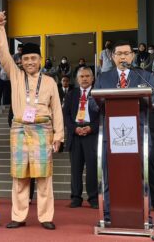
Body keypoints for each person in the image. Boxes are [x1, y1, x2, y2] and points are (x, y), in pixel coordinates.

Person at [0, 11, 64, 230]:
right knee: (20, 176)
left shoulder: (51, 82)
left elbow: (57, 110)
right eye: (25, 59)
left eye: (33, 58)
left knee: (44, 177)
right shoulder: (15, 76)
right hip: (20, 130)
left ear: (40, 60)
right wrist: (0, 27)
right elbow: (4, 54)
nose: (29, 62)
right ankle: (18, 215)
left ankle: (46, 217)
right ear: (21, 61)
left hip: (44, 130)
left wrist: (59, 136)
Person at [94, 40, 154, 222]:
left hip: (138, 134)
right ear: (113, 57)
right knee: (111, 177)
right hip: (111, 134)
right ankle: (108, 214)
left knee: (139, 176)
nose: (123, 57)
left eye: (126, 53)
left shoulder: (145, 75)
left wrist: (150, 100)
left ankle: (143, 214)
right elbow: (93, 102)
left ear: (132, 56)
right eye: (119, 54)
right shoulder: (103, 77)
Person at [63, 66, 99, 209]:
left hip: (92, 134)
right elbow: (65, 115)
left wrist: (91, 128)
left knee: (92, 168)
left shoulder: (97, 94)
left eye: (87, 76)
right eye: (81, 76)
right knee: (75, 168)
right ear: (77, 79)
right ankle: (76, 198)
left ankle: (93, 198)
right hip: (75, 134)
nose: (84, 79)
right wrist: (74, 128)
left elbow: (103, 114)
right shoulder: (71, 94)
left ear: (92, 78)